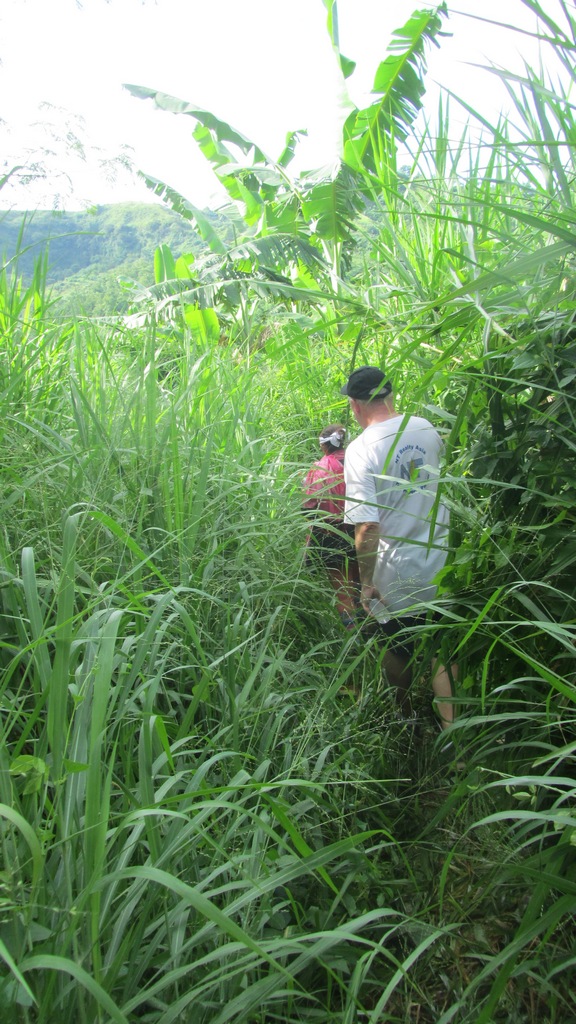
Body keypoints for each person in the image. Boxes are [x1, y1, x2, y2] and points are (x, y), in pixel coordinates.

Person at [340, 365, 455, 728]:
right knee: (442, 649)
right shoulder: (425, 428)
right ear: (391, 396)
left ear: (355, 406)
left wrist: (365, 582)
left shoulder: (361, 450)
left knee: (396, 647)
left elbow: (368, 525)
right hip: (441, 561)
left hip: (396, 573)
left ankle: (405, 720)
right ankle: (455, 736)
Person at [303, 424, 359, 628]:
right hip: (361, 529)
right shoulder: (358, 460)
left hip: (332, 534)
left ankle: (354, 637)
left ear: (323, 445)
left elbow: (309, 507)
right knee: (361, 585)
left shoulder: (321, 467)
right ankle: (372, 632)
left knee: (343, 590)